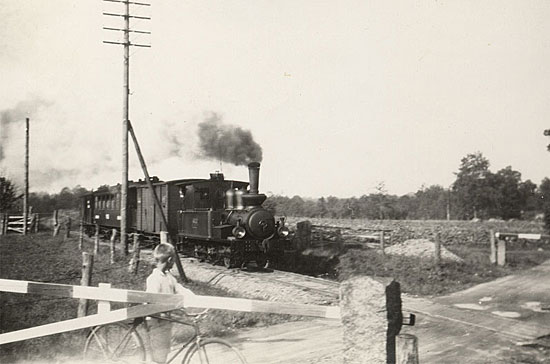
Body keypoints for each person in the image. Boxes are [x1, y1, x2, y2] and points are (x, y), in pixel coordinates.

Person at [146, 243, 194, 364]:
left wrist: (195, 299)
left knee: (164, 352)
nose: (174, 262)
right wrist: (161, 312)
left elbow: (180, 289)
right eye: (174, 259)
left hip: (166, 321)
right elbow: (151, 300)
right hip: (156, 321)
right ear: (170, 259)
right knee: (158, 356)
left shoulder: (169, 277)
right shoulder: (154, 278)